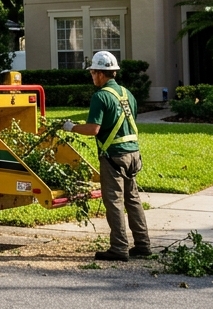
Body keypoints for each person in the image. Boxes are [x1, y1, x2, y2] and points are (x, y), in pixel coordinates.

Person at [61, 51, 151, 261]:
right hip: (133, 154)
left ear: (101, 74)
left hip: (114, 157)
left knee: (114, 202)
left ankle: (119, 248)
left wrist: (71, 127)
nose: (92, 76)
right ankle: (143, 245)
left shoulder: (100, 96)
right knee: (133, 200)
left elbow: (93, 129)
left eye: (92, 72)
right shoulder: (127, 94)